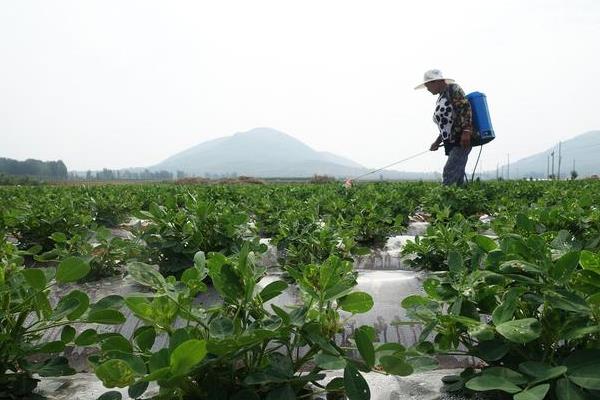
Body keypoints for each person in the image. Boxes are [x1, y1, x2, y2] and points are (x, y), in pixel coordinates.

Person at [415, 69, 473, 186]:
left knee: (449, 172)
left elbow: (465, 109)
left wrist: (466, 132)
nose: (427, 89)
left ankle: (443, 200)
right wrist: (437, 142)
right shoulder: (442, 96)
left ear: (436, 82)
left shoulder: (453, 89)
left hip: (460, 140)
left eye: (427, 86)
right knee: (457, 177)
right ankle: (462, 202)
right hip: (452, 142)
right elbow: (447, 125)